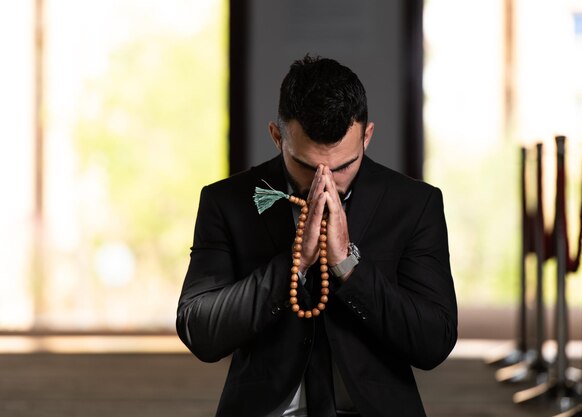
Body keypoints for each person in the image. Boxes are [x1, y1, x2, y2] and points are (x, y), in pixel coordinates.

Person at [176, 54, 457, 417]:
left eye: (343, 166)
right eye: (307, 166)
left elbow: (434, 341)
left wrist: (348, 266)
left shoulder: (415, 204)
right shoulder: (227, 201)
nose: (326, 182)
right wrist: (294, 266)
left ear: (367, 136)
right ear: (277, 137)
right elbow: (200, 329)